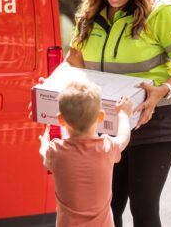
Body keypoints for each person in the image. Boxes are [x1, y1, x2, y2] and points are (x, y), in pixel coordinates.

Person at [63, 0, 171, 227]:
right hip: (107, 119)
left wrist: (162, 90)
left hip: (156, 118)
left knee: (143, 205)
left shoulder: (160, 13)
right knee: (109, 203)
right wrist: (51, 88)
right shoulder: (87, 18)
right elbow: (73, 64)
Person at [39, 80, 133, 227]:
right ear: (100, 117)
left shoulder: (55, 151)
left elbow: (43, 152)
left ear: (61, 119)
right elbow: (124, 138)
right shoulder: (106, 148)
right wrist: (123, 114)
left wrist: (44, 140)